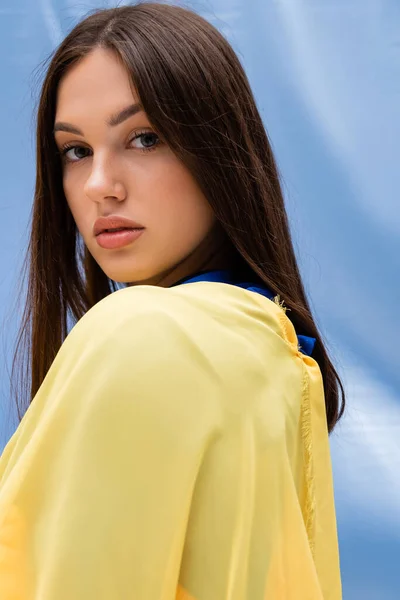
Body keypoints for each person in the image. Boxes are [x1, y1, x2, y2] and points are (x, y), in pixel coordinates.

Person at [0, 3, 344, 599]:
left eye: (145, 137)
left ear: (219, 151)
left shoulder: (147, 334)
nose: (99, 185)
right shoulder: (268, 346)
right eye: (75, 151)